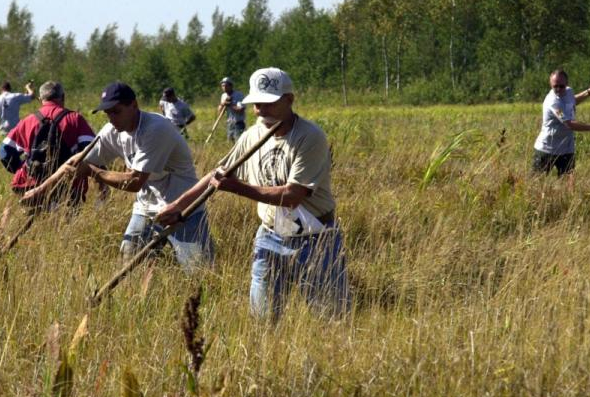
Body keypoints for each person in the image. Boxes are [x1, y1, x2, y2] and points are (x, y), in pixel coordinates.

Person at [158, 68, 350, 319]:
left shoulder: (309, 137)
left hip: (316, 237)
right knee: (262, 319)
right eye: (257, 103)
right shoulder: (252, 135)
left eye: (268, 103)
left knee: (330, 319)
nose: (261, 110)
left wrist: (236, 187)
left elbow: (292, 195)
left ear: (289, 100)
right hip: (270, 236)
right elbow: (218, 174)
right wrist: (179, 206)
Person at [23, 82, 213, 270]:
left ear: (134, 105)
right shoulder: (111, 131)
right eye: (107, 113)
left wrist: (93, 171)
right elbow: (76, 162)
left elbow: (134, 182)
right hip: (146, 207)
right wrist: (41, 190)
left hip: (182, 205)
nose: (112, 118)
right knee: (131, 261)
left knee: (199, 271)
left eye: (116, 111)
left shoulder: (155, 129)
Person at [0, 81, 95, 202]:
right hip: (68, 187)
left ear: (40, 99)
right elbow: (92, 150)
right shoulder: (75, 119)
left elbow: (5, 152)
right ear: (63, 97)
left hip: (31, 185)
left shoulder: (27, 121)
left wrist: (21, 168)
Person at [532, 69, 590, 177]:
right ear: (550, 84)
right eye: (555, 86)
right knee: (537, 183)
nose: (559, 89)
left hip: (566, 149)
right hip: (547, 149)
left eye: (561, 86)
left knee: (568, 183)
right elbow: (569, 124)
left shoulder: (569, 91)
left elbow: (572, 101)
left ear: (567, 84)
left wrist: (588, 92)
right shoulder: (553, 102)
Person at [218, 77, 246, 142]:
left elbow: (241, 110)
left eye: (226, 86)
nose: (224, 87)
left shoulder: (239, 95)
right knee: (230, 143)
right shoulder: (223, 96)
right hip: (229, 124)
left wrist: (230, 105)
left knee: (238, 143)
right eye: (222, 86)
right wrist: (223, 104)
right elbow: (220, 112)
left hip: (238, 123)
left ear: (231, 86)